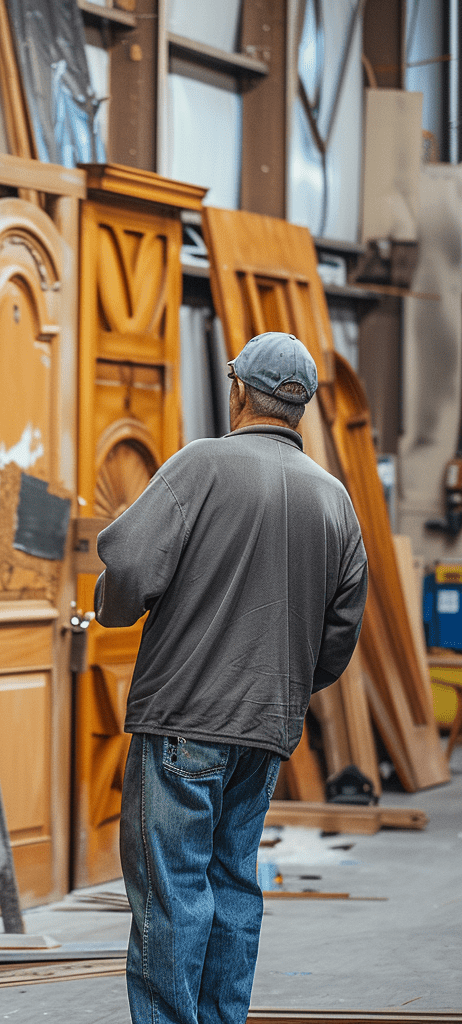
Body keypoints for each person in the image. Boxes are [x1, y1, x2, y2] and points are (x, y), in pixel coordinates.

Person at [94, 331, 368, 1024]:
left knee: (171, 894)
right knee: (232, 884)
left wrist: (113, 610)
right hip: (267, 728)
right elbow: (341, 631)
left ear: (240, 390)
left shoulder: (201, 466)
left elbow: (127, 563)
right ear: (299, 405)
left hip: (185, 717)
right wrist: (286, 689)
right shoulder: (335, 500)